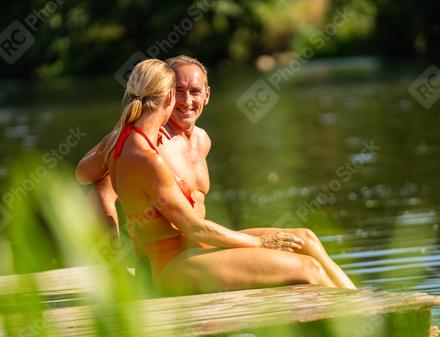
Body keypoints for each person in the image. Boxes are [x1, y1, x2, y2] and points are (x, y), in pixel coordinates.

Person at [76, 56, 356, 294]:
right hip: (173, 261)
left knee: (304, 240)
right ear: (166, 96)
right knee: (307, 269)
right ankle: (357, 324)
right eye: (179, 91)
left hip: (201, 245)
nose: (187, 101)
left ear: (207, 95)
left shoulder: (201, 140)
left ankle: (364, 305)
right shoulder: (147, 146)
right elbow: (96, 183)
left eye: (195, 91)